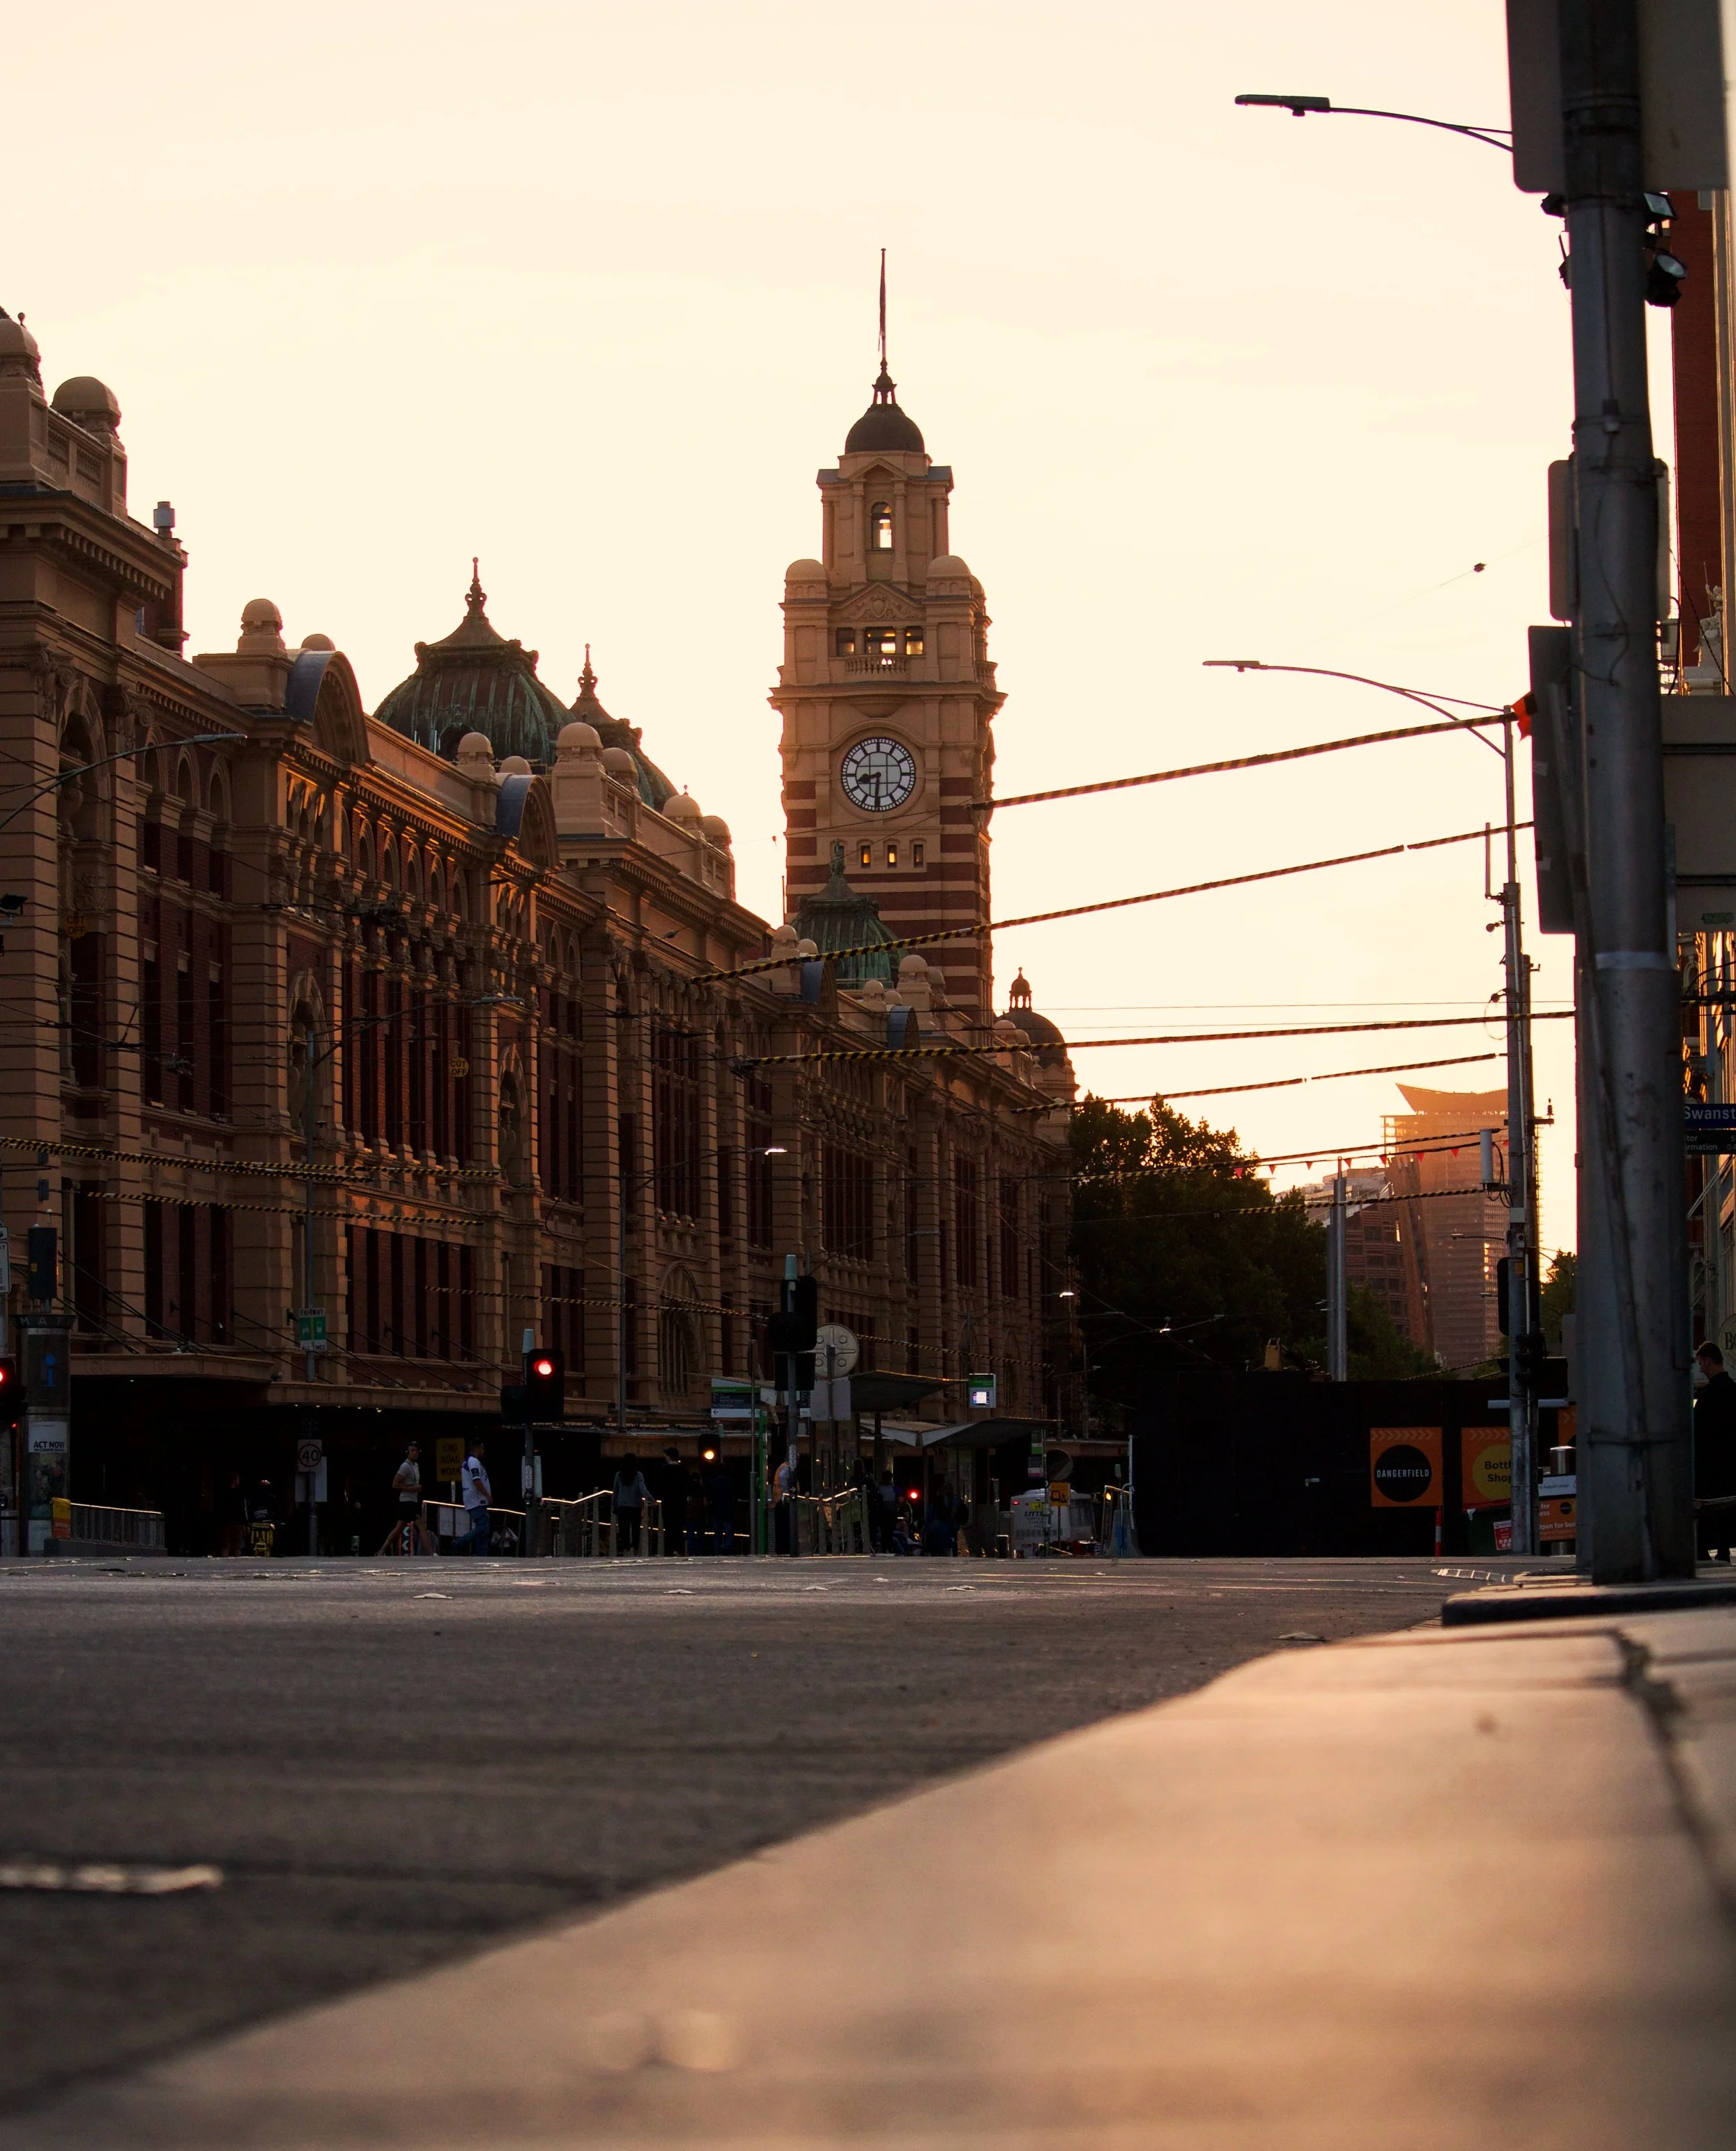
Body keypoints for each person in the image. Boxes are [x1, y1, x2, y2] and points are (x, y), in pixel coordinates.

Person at [1694, 1341, 1736, 1562]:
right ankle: (1724, 1550)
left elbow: (1698, 1433)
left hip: (1709, 1466)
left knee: (1707, 1509)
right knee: (1728, 1507)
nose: (1700, 1368)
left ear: (1708, 1361)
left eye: (1701, 1363)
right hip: (1731, 1464)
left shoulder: (1708, 1396)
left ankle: (1705, 1551)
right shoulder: (1733, 1391)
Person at [612, 1454, 650, 1555]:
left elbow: (615, 1491)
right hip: (635, 1506)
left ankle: (626, 1549)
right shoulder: (638, 1475)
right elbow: (643, 1489)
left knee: (623, 1528)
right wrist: (651, 1499)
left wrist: (614, 1505)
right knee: (636, 1528)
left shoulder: (619, 1475)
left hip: (622, 1506)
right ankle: (634, 1547)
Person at [461, 1440, 492, 1556]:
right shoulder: (473, 1462)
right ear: (477, 1448)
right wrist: (487, 1496)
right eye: (482, 1448)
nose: (483, 1451)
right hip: (477, 1500)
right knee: (483, 1527)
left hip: (475, 1500)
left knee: (484, 1530)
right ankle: (460, 1542)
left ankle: (481, 1553)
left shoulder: (469, 1462)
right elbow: (477, 1481)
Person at [657, 1446, 688, 1555]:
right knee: (679, 1527)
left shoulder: (664, 1470)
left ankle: (669, 1550)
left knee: (669, 1528)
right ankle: (680, 1549)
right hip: (680, 1503)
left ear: (669, 1456)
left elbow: (660, 1487)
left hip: (668, 1502)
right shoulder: (683, 1470)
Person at [219, 1469, 247, 1557]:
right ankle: (237, 1567)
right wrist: (245, 1523)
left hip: (226, 1523)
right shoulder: (240, 1494)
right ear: (235, 1481)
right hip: (237, 1523)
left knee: (225, 1546)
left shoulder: (223, 1494)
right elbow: (243, 1510)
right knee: (237, 1547)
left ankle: (223, 1564)